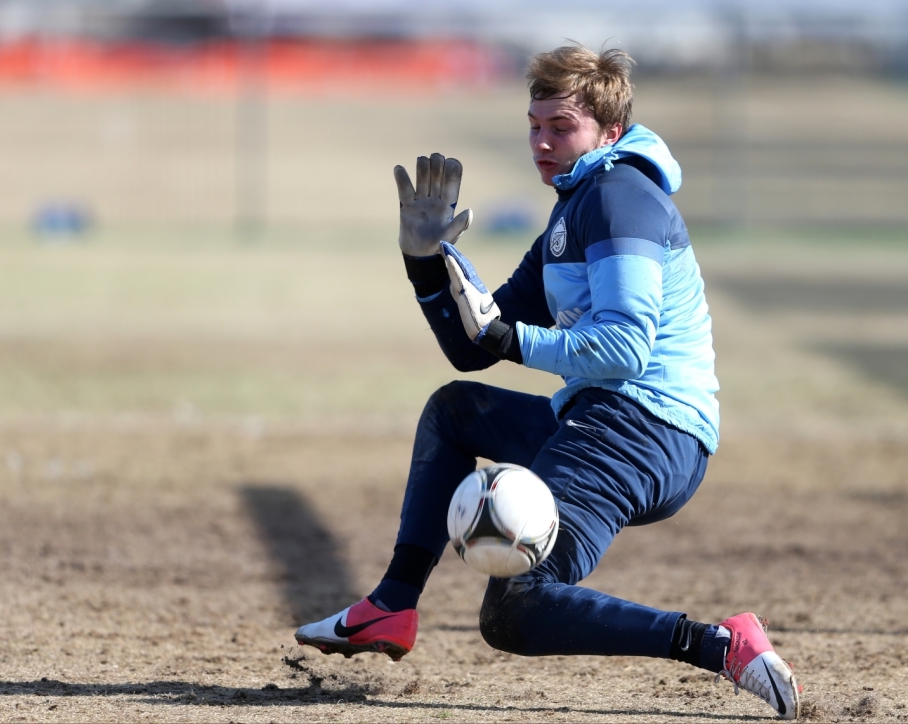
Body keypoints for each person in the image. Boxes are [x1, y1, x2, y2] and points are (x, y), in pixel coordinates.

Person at [295, 43, 800, 720]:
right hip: (605, 418)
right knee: (456, 412)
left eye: (560, 127)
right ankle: (391, 605)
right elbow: (474, 349)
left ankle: (717, 644)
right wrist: (424, 264)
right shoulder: (574, 208)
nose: (541, 141)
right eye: (534, 125)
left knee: (516, 610)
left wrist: (510, 338)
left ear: (610, 131)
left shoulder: (620, 199)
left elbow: (624, 348)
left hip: (644, 428)